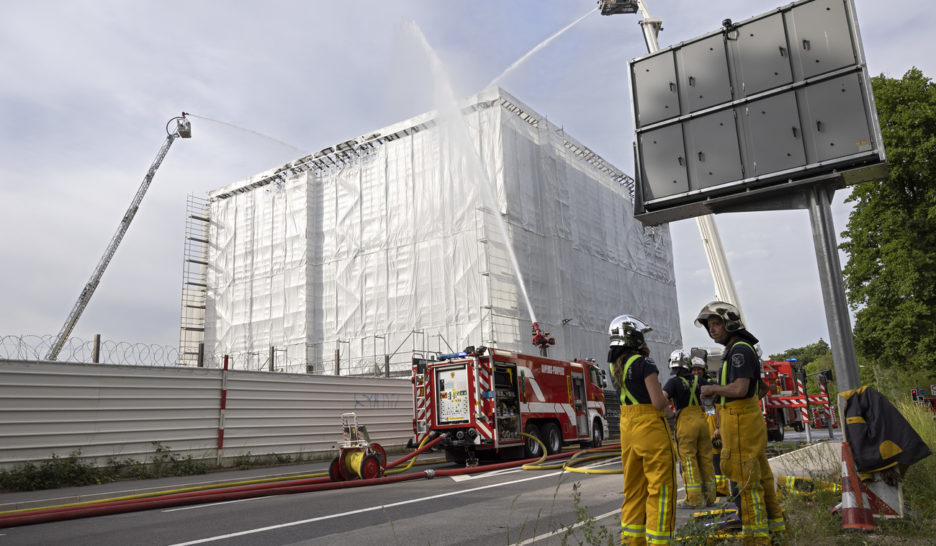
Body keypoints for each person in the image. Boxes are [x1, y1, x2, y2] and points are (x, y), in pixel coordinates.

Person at [696, 302, 785, 545]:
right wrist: (731, 400)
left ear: (730, 323)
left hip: (740, 423)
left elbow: (741, 388)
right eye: (709, 326)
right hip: (743, 419)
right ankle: (776, 531)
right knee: (760, 478)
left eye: (716, 324)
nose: (712, 330)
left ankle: (756, 538)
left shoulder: (738, 351)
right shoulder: (739, 349)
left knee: (745, 482)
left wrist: (714, 389)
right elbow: (760, 388)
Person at [608, 315, 676, 545]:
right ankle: (659, 541)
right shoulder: (645, 363)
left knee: (634, 489)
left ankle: (631, 541)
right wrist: (669, 404)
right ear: (635, 338)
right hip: (650, 428)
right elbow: (657, 402)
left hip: (627, 428)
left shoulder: (614, 365)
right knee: (660, 488)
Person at [663, 354, 716, 509]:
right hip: (701, 421)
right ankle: (710, 497)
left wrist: (671, 414)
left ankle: (694, 500)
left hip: (685, 423)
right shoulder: (699, 380)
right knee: (706, 459)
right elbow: (714, 390)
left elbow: (662, 398)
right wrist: (707, 405)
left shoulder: (673, 382)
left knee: (689, 461)